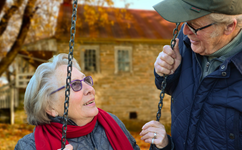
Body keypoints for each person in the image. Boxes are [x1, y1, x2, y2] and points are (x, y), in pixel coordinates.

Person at [153, 0, 242, 149]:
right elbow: (177, 90)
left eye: (194, 26)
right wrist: (167, 73)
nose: (185, 31)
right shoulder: (190, 40)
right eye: (184, 22)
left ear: (229, 26)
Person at [14, 53, 173, 150]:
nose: (89, 88)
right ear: (50, 107)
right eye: (75, 85)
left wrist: (163, 147)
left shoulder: (112, 124)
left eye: (86, 80)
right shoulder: (28, 147)